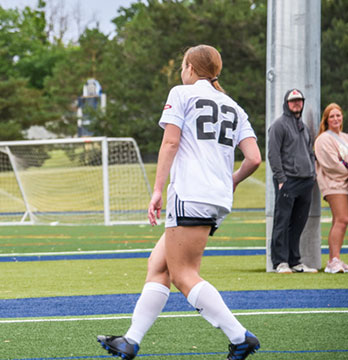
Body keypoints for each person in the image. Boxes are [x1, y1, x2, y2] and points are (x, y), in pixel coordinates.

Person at [96, 45, 262, 360]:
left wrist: (157, 189)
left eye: (182, 66)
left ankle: (240, 336)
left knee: (184, 273)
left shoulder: (182, 94)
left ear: (189, 67)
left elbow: (171, 141)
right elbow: (254, 158)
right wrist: (233, 180)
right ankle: (131, 340)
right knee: (159, 265)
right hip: (216, 198)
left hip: (190, 194)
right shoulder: (234, 106)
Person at [267, 88, 319, 274]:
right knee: (282, 221)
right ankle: (280, 262)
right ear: (286, 103)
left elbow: (309, 152)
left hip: (306, 181)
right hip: (288, 180)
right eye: (293, 101)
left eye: (299, 101)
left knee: (298, 223)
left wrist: (312, 173)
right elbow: (273, 154)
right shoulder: (279, 125)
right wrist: (281, 178)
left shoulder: (303, 127)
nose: (297, 104)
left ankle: (294, 260)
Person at [314, 103, 348, 273]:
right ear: (326, 120)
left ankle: (337, 259)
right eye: (332, 116)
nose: (336, 119)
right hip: (334, 184)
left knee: (340, 221)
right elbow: (332, 165)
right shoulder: (323, 139)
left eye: (338, 115)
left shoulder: (345, 137)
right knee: (342, 219)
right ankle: (332, 261)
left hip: (345, 184)